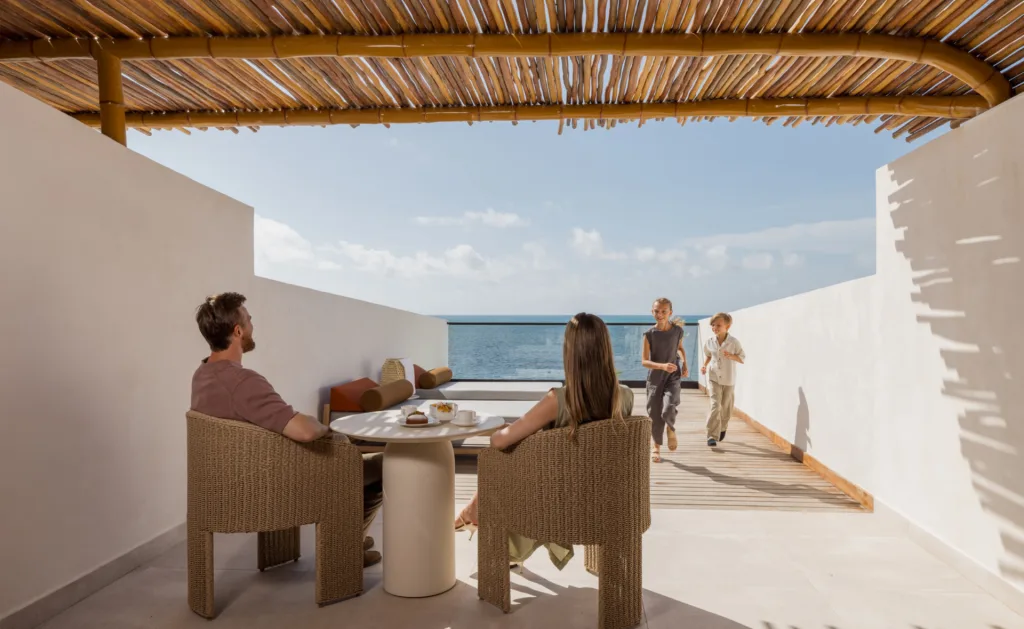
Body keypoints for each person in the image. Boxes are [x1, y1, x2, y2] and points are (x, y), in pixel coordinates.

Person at [189, 292, 384, 567]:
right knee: (379, 465)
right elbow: (303, 432)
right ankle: (346, 548)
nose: (252, 325)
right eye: (249, 319)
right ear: (238, 331)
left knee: (346, 455)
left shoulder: (203, 374)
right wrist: (328, 430)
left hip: (233, 481)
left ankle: (349, 537)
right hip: (270, 485)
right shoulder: (242, 381)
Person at [452, 313, 634, 570]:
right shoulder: (625, 397)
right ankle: (471, 512)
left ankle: (474, 517)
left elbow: (498, 443)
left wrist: (505, 431)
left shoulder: (558, 399)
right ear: (606, 349)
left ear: (570, 352)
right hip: (605, 498)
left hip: (557, 503)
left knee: (501, 457)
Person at [641, 297, 688, 463]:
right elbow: (645, 361)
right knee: (654, 413)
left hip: (672, 376)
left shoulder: (677, 331)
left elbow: (680, 348)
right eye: (656, 311)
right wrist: (662, 366)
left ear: (670, 313)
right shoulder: (649, 335)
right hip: (655, 377)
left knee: (668, 407)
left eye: (663, 311)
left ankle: (670, 428)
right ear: (652, 312)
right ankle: (656, 447)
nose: (659, 314)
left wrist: (686, 365)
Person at [701, 312, 745, 447]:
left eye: (718, 325)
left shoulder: (734, 342)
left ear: (728, 326)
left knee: (726, 407)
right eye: (713, 325)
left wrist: (731, 356)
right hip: (713, 377)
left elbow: (742, 358)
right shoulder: (709, 342)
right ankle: (711, 435)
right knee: (715, 406)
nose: (715, 328)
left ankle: (722, 428)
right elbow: (708, 355)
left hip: (729, 378)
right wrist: (704, 365)